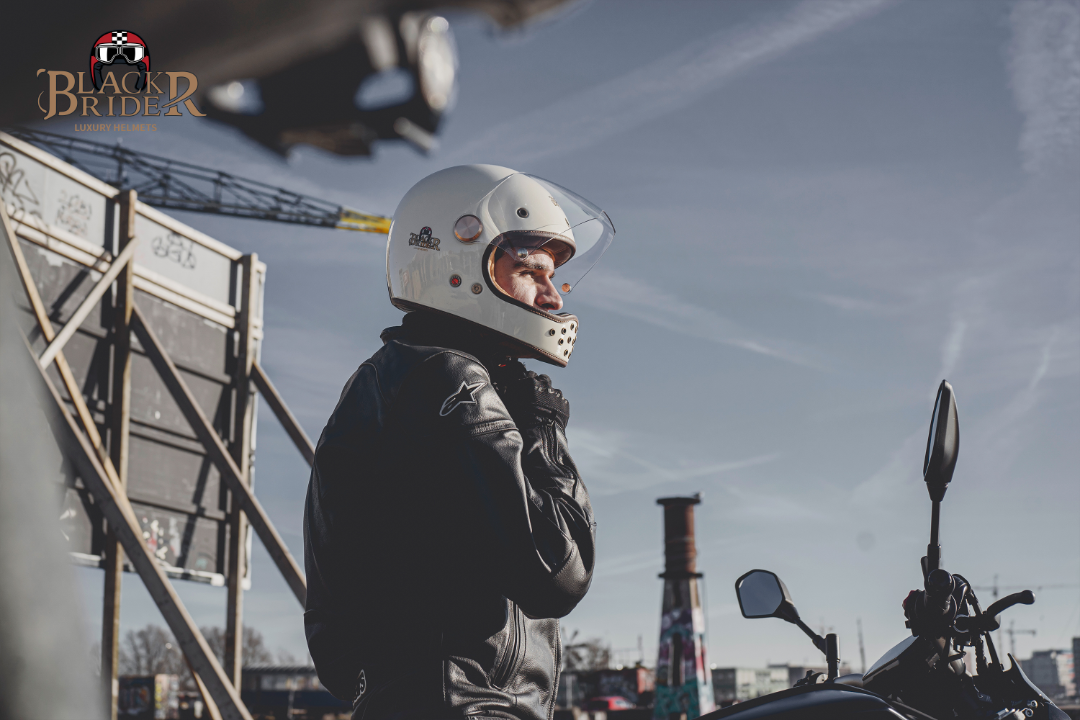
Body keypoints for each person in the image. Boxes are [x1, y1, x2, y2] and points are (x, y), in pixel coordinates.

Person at [303, 165, 616, 720]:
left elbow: (337, 641)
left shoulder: (388, 380)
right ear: (461, 265)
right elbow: (558, 572)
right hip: (470, 707)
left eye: (555, 279)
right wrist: (545, 428)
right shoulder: (449, 381)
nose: (551, 298)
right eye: (530, 272)